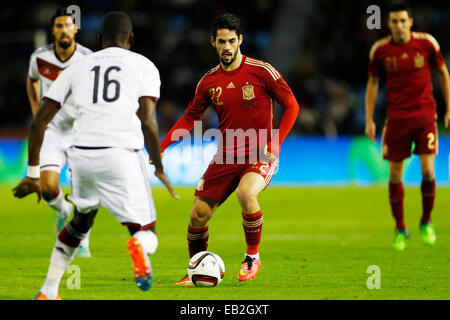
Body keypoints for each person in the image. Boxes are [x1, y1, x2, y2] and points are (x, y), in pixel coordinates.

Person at [13, 11, 178, 299]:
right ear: (131, 39)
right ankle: (139, 246)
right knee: (145, 230)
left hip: (81, 155)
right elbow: (149, 122)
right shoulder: (143, 65)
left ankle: (48, 291)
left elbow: (39, 122)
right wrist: (159, 164)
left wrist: (33, 172)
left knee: (80, 222)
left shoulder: (77, 68)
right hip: (121, 154)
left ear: (99, 40)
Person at [160, 13, 300, 284]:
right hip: (226, 155)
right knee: (198, 214)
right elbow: (190, 117)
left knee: (247, 194)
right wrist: (163, 145)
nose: (227, 46)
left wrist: (276, 140)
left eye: (232, 41)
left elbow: (292, 104)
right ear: (213, 42)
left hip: (260, 153)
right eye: (221, 41)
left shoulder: (262, 71)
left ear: (240, 41)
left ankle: (252, 257)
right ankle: (196, 269)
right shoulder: (209, 82)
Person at [365, 2, 450, 251]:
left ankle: (426, 221)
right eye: (394, 22)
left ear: (411, 22)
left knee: (427, 172)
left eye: (403, 21)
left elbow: (443, 73)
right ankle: (400, 228)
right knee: (394, 175)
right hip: (396, 118)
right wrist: (369, 118)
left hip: (425, 115)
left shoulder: (427, 43)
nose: (399, 26)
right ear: (389, 24)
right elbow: (372, 83)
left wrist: (448, 108)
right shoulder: (380, 50)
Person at [26, 8, 92, 257]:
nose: (64, 30)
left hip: (80, 131)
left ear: (75, 29)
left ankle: (82, 236)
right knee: (47, 188)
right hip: (52, 131)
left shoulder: (87, 58)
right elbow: (32, 79)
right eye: (59, 26)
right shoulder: (39, 58)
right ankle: (64, 213)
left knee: (83, 192)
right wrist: (36, 112)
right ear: (53, 30)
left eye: (68, 25)